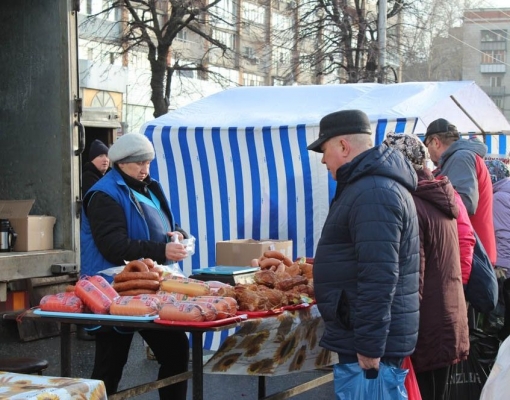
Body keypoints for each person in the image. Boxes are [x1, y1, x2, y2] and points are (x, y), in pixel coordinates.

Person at [307, 110, 421, 386]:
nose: (323, 160)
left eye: (324, 150)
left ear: (343, 146)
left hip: (370, 342)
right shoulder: (369, 186)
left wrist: (370, 346)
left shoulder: (373, 192)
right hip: (364, 331)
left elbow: (379, 275)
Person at [80, 133, 190, 399]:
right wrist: (161, 250)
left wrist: (178, 234)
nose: (145, 169)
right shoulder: (103, 194)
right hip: (112, 291)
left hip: (150, 289)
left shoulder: (147, 187)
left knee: (176, 352)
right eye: (139, 163)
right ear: (121, 162)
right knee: (109, 368)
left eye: (148, 162)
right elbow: (114, 246)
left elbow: (162, 223)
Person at [384, 132, 469, 400]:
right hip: (446, 316)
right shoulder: (436, 194)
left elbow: (414, 277)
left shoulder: (413, 202)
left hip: (428, 325)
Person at [424, 119, 496, 265]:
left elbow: (465, 203)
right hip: (473, 250)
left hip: (472, 253)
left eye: (427, 145)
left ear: (435, 142)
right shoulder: (460, 157)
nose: (428, 152)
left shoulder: (461, 158)